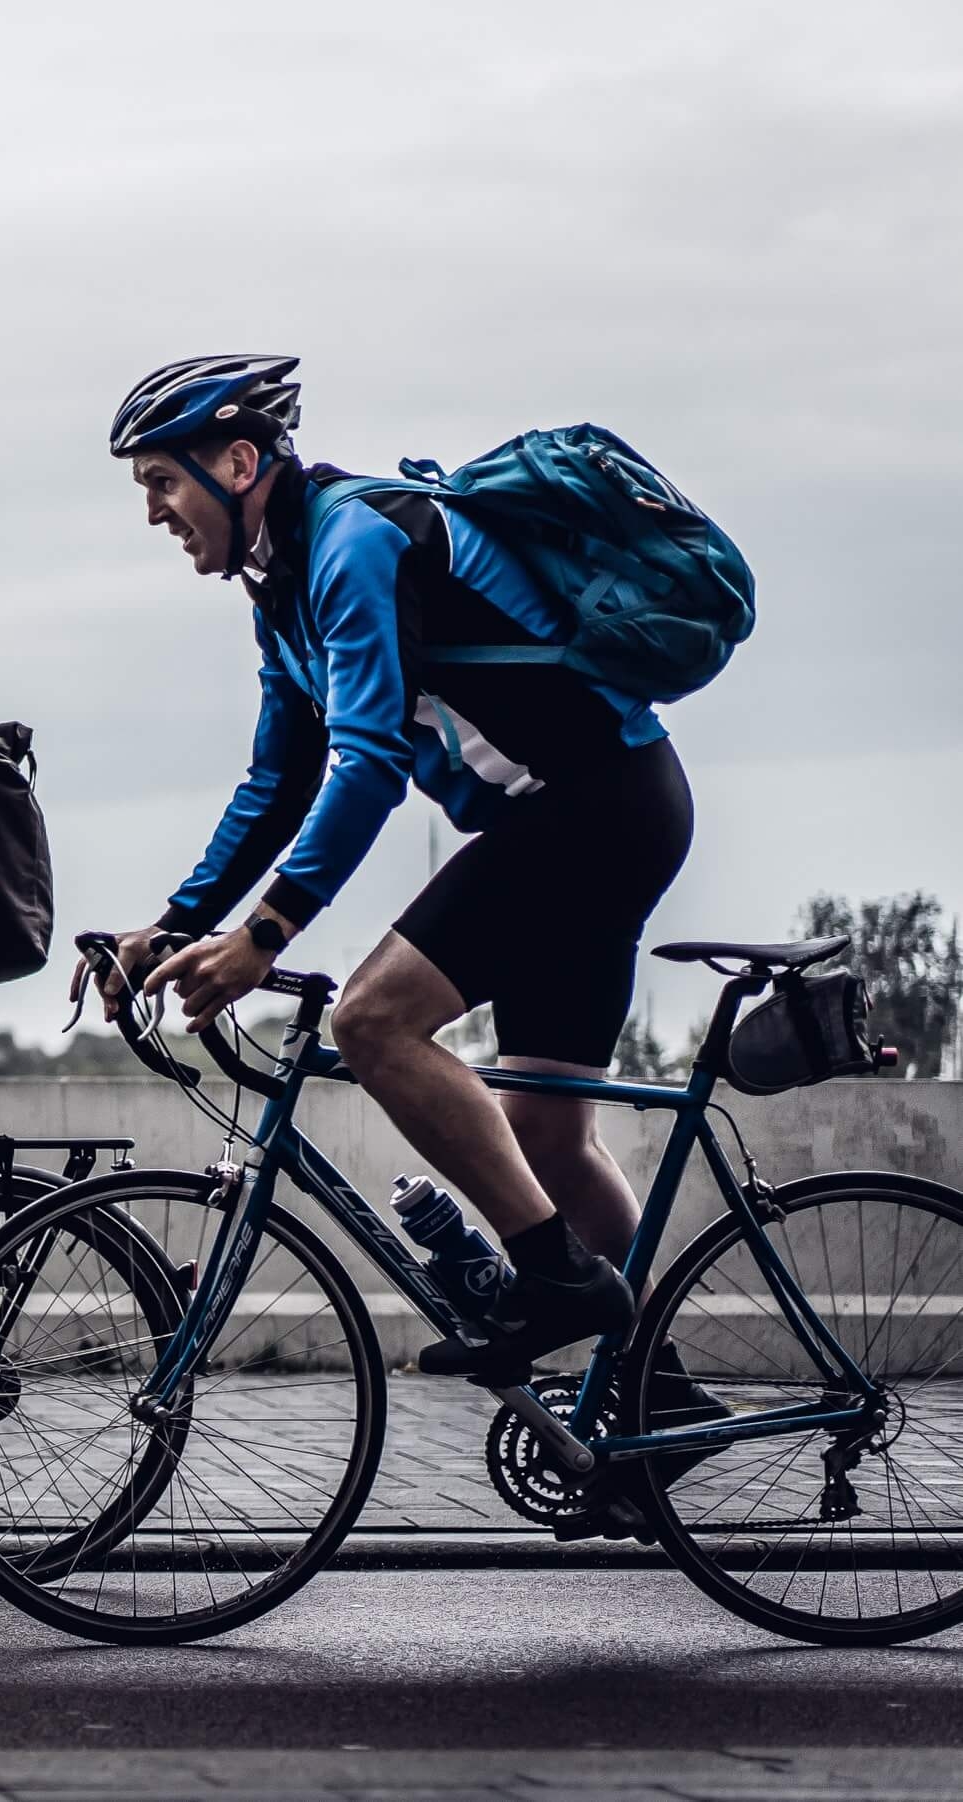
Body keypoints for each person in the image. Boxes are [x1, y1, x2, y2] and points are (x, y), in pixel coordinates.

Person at [82, 354, 698, 1384]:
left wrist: (264, 933)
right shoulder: (278, 585)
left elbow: (364, 763)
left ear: (238, 462)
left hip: (593, 809)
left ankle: (557, 1281)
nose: (152, 511)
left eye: (160, 481)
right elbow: (277, 778)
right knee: (544, 1135)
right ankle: (653, 1401)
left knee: (369, 1020)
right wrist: (178, 920)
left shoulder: (351, 542)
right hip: (588, 815)